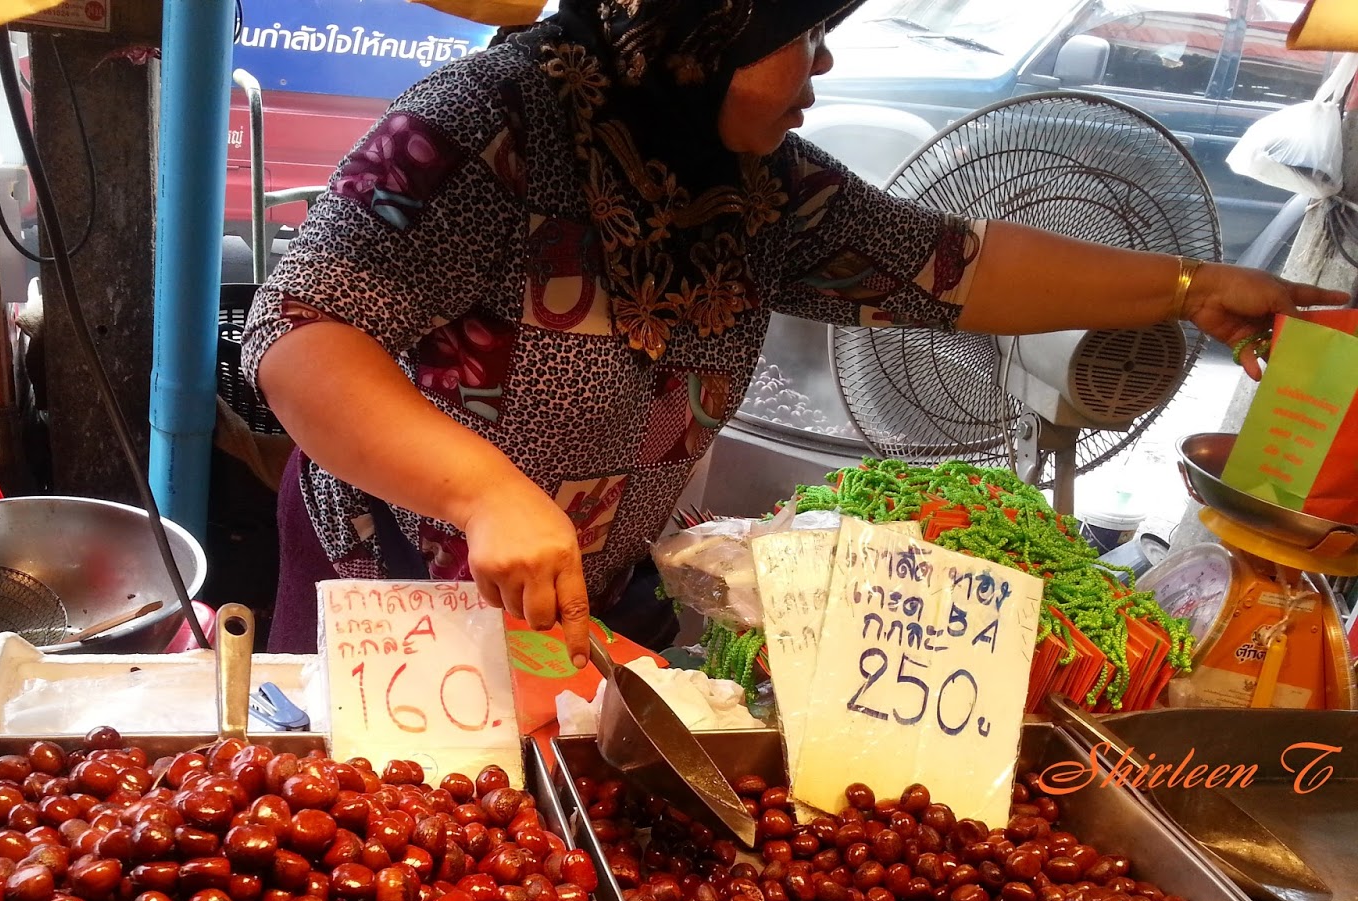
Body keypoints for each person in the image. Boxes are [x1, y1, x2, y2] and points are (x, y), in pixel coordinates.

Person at [244, 0, 1346, 668]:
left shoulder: (756, 184)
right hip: (396, 572)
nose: (819, 66)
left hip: (587, 586)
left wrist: (1192, 286)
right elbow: (298, 337)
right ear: (699, 23)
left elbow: (953, 269)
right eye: (801, 33)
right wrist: (483, 492)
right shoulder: (483, 126)